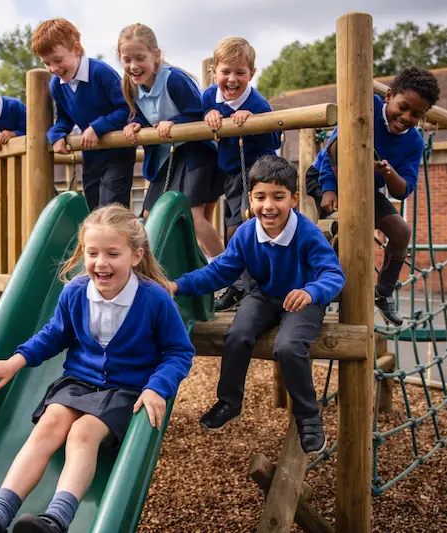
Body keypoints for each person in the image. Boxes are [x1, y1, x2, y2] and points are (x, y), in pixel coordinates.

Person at [0, 205, 194, 533]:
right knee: (47, 426)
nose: (101, 263)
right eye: (92, 253)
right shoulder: (76, 291)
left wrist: (157, 386)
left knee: (83, 433)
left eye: (112, 253)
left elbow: (178, 351)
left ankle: (55, 521)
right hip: (78, 381)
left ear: (135, 256)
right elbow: (55, 334)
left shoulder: (154, 298)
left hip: (125, 389)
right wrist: (15, 361)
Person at [170, 155, 344, 454]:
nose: (269, 205)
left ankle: (308, 417)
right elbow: (219, 271)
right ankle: (229, 401)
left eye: (278, 197)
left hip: (302, 298)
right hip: (264, 296)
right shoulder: (246, 234)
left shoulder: (307, 233)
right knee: (237, 335)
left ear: (293, 199)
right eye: (260, 197)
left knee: (288, 347)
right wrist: (178, 284)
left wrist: (313, 292)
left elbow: (333, 273)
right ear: (249, 199)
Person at [308, 66, 440, 325]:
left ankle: (384, 293)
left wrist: (389, 173)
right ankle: (319, 293)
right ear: (389, 95)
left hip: (365, 186)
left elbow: (403, 190)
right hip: (326, 175)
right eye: (403, 107)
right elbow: (333, 148)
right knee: (337, 228)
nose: (406, 117)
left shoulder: (414, 142)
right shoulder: (367, 104)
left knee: (401, 232)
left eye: (416, 114)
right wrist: (330, 187)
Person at [118, 23, 225, 259]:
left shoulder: (173, 80)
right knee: (149, 214)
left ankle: (230, 277)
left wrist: (175, 122)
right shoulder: (131, 87)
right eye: (127, 59)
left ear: (155, 56)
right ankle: (197, 269)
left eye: (140, 58)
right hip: (171, 157)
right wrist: (138, 125)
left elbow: (200, 113)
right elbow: (148, 119)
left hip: (198, 154)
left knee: (196, 219)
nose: (134, 66)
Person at [202, 37, 281, 310]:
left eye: (240, 73)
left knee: (243, 224)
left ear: (252, 74)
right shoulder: (208, 96)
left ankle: (247, 286)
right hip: (232, 172)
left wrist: (254, 122)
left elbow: (275, 140)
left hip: (257, 169)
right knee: (233, 226)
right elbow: (202, 112)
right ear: (214, 71)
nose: (232, 79)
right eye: (225, 72)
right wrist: (210, 114)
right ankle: (239, 286)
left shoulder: (257, 104)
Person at [33, 18, 136, 211]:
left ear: (76, 49)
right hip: (90, 154)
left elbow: (128, 109)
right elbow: (64, 117)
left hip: (118, 151)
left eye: (58, 60)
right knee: (93, 206)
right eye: (47, 63)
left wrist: (97, 127)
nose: (54, 69)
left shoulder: (100, 73)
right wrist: (57, 135)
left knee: (111, 207)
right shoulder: (57, 85)